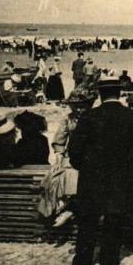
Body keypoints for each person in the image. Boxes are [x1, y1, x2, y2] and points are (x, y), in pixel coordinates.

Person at [65, 76, 133, 265]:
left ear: (100, 94)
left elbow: (74, 149)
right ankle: (108, 264)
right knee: (113, 219)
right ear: (119, 93)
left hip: (92, 178)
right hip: (121, 178)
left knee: (88, 220)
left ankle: (82, 263)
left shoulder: (89, 116)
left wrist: (84, 167)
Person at [39, 88, 96, 227]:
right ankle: (58, 210)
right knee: (54, 177)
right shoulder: (68, 119)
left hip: (92, 157)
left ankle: (70, 209)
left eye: (83, 107)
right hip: (71, 156)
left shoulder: (95, 117)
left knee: (75, 176)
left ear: (89, 105)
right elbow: (60, 140)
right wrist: (59, 158)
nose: (80, 110)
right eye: (76, 107)